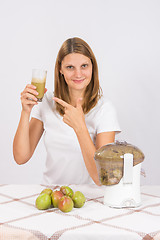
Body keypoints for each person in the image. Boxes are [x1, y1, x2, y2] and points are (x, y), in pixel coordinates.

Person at [13, 37, 121, 186]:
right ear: (60, 69)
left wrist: (80, 127)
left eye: (84, 66)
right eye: (70, 67)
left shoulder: (105, 109)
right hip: (51, 196)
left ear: (92, 67)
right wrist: (25, 112)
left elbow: (101, 177)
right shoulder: (47, 101)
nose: (78, 74)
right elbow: (21, 157)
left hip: (89, 200)